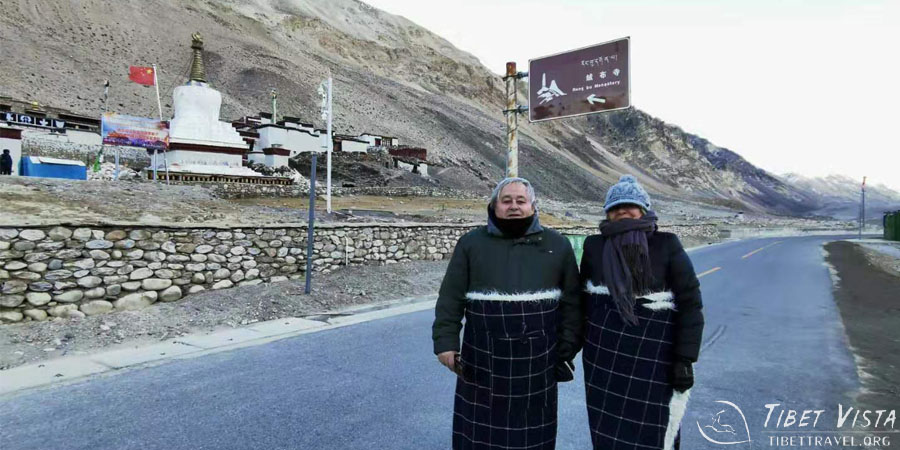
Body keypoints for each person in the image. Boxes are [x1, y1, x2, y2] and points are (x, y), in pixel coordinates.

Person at [432, 177, 582, 450]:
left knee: (532, 439)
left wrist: (566, 347)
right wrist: (446, 343)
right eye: (507, 200)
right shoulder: (470, 244)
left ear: (533, 206)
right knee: (479, 439)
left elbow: (573, 304)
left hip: (538, 364)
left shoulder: (557, 245)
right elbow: (450, 299)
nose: (514, 206)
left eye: (521, 201)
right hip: (482, 361)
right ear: (494, 205)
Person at [580, 175, 704, 450]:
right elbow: (582, 301)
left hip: (654, 357)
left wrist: (685, 359)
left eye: (631, 206)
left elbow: (690, 303)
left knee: (656, 432)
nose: (623, 211)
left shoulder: (667, 243)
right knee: (608, 431)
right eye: (615, 207)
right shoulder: (593, 246)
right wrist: (568, 349)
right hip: (605, 359)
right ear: (607, 213)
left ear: (644, 210)